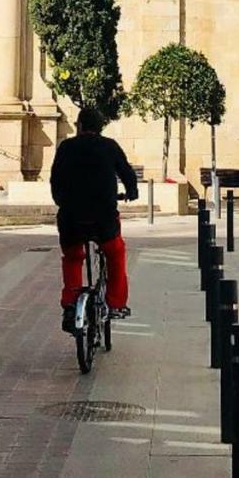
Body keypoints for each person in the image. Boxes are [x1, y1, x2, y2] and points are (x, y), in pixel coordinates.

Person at [49, 105, 139, 333]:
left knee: (72, 256)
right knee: (115, 252)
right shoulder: (109, 146)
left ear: (79, 126)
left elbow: (55, 179)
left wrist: (62, 201)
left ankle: (70, 304)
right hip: (103, 218)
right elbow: (127, 173)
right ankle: (117, 303)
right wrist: (132, 192)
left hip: (71, 218)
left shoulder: (66, 147)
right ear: (101, 127)